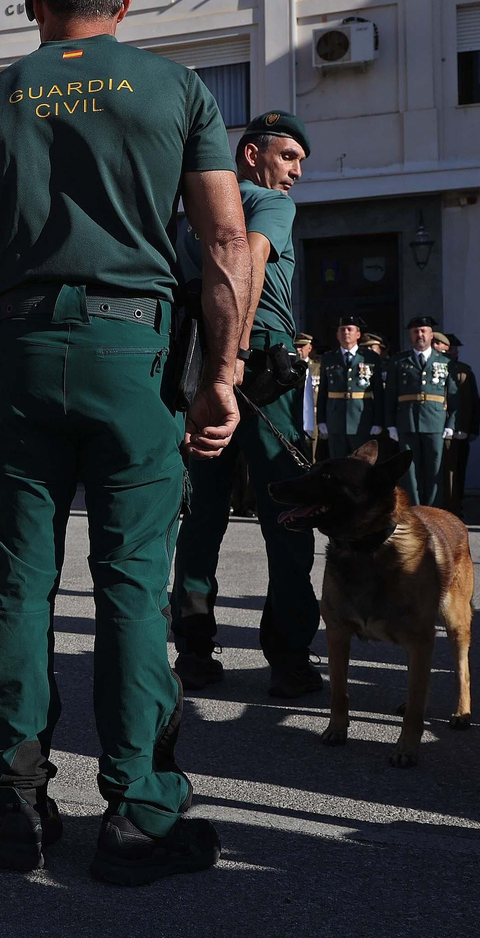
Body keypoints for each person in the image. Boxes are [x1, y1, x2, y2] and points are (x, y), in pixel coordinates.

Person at [0, 0, 251, 884]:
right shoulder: (177, 89)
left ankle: (15, 800)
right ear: (126, 3)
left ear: (35, 6)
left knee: (21, 580)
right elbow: (227, 243)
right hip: (132, 352)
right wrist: (222, 375)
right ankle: (138, 812)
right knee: (131, 583)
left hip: (26, 352)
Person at [172, 110, 319, 700]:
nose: (296, 172)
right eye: (289, 156)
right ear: (252, 155)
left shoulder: (189, 213)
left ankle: (194, 652)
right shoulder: (268, 202)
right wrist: (234, 356)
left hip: (197, 362)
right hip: (256, 365)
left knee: (200, 517)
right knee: (288, 511)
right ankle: (289, 657)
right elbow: (249, 263)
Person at [383, 317, 458, 507]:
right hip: (406, 421)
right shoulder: (398, 361)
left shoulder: (446, 361)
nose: (420, 335)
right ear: (410, 336)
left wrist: (451, 424)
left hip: (435, 421)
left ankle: (433, 509)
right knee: (409, 469)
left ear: (431, 335)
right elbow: (390, 395)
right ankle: (413, 509)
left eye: (424, 331)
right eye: (416, 332)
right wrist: (390, 424)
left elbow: (454, 396)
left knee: (435, 468)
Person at [316, 315, 382, 456]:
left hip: (362, 419)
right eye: (342, 329)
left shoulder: (370, 357)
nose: (346, 332)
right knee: (337, 461)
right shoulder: (329, 358)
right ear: (337, 335)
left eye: (349, 329)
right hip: (335, 419)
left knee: (360, 462)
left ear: (358, 334)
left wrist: (378, 421)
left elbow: (379, 392)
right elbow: (323, 391)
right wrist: (321, 420)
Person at [436, 332, 477, 518]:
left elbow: (470, 401)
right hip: (434, 424)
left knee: (454, 471)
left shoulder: (462, 371)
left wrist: (471, 428)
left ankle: (454, 507)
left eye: (453, 349)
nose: (452, 352)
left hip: (457, 429)